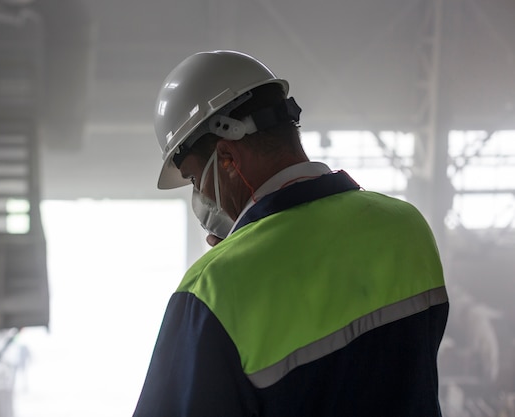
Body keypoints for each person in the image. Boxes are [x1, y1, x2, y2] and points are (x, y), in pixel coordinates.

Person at [132, 50, 449, 417]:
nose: (199, 197)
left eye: (192, 178)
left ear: (227, 159)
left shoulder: (212, 290)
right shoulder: (406, 226)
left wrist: (232, 264)